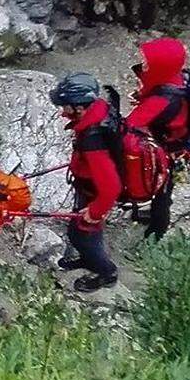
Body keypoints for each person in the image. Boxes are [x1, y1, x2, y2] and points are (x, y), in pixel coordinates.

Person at [50, 72, 122, 292]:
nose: (63, 112)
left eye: (66, 107)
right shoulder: (99, 111)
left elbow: (111, 188)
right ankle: (89, 259)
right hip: (88, 187)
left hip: (94, 194)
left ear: (80, 107)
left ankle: (106, 272)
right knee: (79, 231)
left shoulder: (93, 139)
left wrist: (96, 212)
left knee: (81, 237)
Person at [125, 38, 190, 240]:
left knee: (162, 194)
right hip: (179, 147)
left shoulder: (162, 100)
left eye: (148, 63)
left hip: (169, 153)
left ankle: (156, 233)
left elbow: (129, 125)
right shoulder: (177, 79)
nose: (143, 65)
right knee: (164, 192)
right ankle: (155, 220)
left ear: (160, 67)